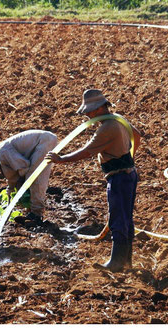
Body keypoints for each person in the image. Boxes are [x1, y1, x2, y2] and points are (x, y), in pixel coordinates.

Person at [46, 89, 141, 272]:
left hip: (119, 177)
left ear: (98, 109)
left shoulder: (107, 128)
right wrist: (130, 156)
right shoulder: (118, 119)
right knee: (126, 218)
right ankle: (126, 261)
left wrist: (62, 159)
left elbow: (87, 151)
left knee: (118, 218)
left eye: (89, 111)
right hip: (129, 174)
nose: (87, 115)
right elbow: (136, 135)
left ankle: (117, 262)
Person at [0, 130, 58, 223]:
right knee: (31, 177)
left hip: (44, 141)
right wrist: (12, 187)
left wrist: (22, 186)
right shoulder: (1, 155)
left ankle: (36, 215)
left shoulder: (2, 152)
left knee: (34, 177)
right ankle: (32, 212)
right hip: (44, 141)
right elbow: (14, 174)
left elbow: (24, 166)